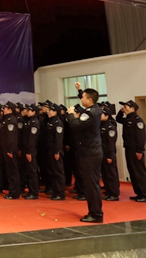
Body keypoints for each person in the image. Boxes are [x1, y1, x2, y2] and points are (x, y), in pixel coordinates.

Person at [67, 83, 103, 223]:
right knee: (91, 183)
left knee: (91, 184)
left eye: (82, 97)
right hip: (91, 152)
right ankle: (94, 212)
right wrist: (79, 90)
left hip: (90, 153)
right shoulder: (95, 109)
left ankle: (96, 213)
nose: (81, 99)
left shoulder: (90, 113)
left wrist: (71, 114)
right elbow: (85, 108)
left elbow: (75, 125)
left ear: (89, 100)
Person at [117, 99, 146, 202]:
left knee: (139, 172)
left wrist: (139, 150)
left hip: (135, 150)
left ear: (132, 108)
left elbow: (141, 137)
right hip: (128, 149)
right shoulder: (127, 119)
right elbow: (118, 119)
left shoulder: (138, 120)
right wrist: (121, 111)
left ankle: (144, 194)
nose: (124, 109)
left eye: (126, 107)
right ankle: (139, 193)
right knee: (133, 172)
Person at [45, 103, 65, 201]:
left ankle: (60, 193)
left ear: (56, 112)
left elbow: (58, 139)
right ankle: (55, 191)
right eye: (49, 110)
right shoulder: (50, 121)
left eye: (51, 111)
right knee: (52, 172)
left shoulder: (58, 123)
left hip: (55, 150)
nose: (49, 112)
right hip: (50, 150)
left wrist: (57, 151)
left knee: (58, 172)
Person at [100, 105, 120, 201]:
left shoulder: (110, 127)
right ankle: (108, 192)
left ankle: (114, 194)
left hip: (108, 154)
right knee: (105, 174)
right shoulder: (101, 125)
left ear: (107, 116)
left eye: (102, 114)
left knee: (111, 174)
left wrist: (110, 156)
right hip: (102, 153)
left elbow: (111, 143)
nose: (100, 116)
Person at [1, 102, 20, 199]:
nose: (3, 110)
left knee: (13, 171)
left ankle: (14, 193)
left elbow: (11, 137)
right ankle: (12, 191)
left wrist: (10, 150)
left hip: (10, 149)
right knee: (9, 171)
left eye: (5, 108)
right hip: (6, 148)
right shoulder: (6, 119)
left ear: (10, 109)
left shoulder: (11, 120)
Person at [23, 104, 40, 199]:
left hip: (31, 150)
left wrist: (29, 151)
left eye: (30, 111)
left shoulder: (34, 122)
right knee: (29, 171)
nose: (28, 112)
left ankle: (34, 192)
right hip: (27, 149)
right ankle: (31, 191)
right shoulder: (29, 121)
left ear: (34, 112)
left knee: (32, 171)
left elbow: (32, 139)